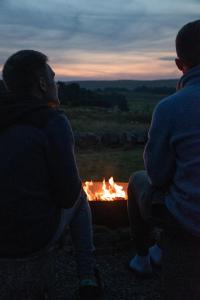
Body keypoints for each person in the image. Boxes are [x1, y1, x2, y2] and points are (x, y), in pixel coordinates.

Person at [0, 50, 103, 300]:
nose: (57, 85)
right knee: (80, 198)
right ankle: (87, 277)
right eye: (53, 78)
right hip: (29, 240)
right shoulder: (51, 121)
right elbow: (68, 195)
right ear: (42, 84)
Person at [127, 20, 200, 299]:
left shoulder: (171, 107)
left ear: (179, 63)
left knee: (137, 180)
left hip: (189, 223)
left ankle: (143, 257)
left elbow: (157, 174)